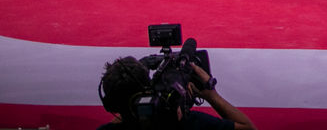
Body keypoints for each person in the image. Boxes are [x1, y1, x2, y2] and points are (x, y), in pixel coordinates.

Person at [98, 57, 255, 129]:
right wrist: (212, 95)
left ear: (110, 104)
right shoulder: (190, 124)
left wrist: (126, 112)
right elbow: (248, 128)